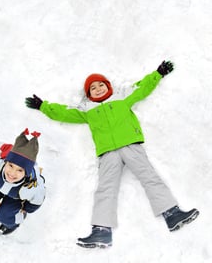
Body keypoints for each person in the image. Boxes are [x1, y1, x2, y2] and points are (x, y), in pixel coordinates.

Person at [25, 60, 199, 248]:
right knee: (105, 189)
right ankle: (101, 231)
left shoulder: (122, 97)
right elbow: (63, 113)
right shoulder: (86, 110)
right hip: (108, 153)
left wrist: (158, 73)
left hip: (130, 145)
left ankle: (172, 213)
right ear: (88, 94)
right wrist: (43, 106)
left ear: (109, 87)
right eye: (93, 88)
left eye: (101, 84)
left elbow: (142, 88)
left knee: (149, 177)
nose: (98, 89)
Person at [0, 128, 46, 235]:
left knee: (4, 215)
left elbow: (37, 199)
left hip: (16, 197)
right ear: (6, 162)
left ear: (26, 172)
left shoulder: (31, 186)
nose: (12, 173)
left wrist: (27, 209)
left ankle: (11, 224)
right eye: (11, 165)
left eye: (20, 170)